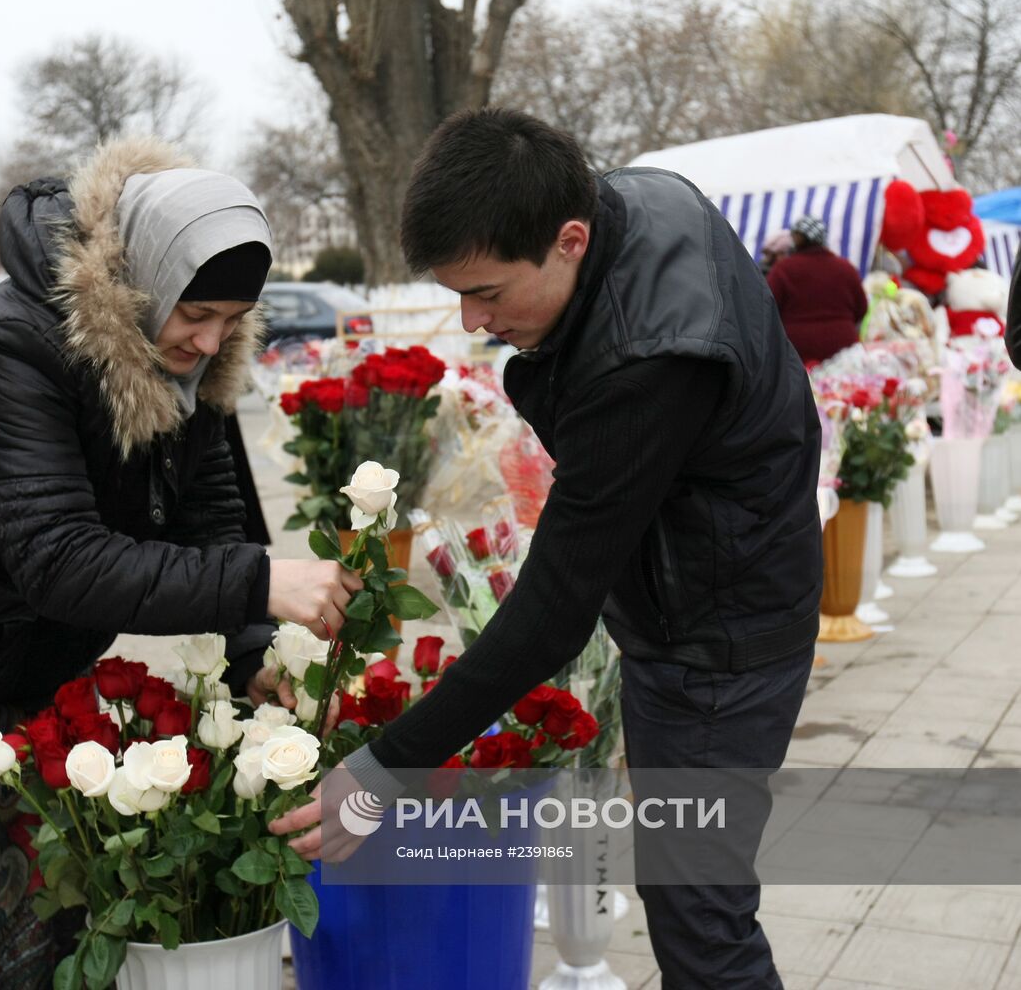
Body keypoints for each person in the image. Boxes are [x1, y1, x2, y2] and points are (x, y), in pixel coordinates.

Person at [272, 109, 822, 989]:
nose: (473, 319)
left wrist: (383, 768)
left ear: (570, 240)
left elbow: (555, 611)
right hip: (719, 583)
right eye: (457, 293)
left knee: (698, 911)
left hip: (717, 641)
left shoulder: (648, 361)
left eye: (488, 292)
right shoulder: (639, 201)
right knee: (689, 892)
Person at [0, 138, 360, 989]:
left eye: (232, 320)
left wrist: (254, 651)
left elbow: (211, 519)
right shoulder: (13, 342)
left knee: (51, 916)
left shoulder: (196, 358)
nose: (210, 340)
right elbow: (59, 559)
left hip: (27, 648)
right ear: (144, 279)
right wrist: (264, 584)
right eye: (197, 312)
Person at [766, 215, 868, 364]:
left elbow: (768, 305)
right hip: (843, 348)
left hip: (797, 349)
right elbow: (862, 308)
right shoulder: (846, 268)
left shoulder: (783, 269)